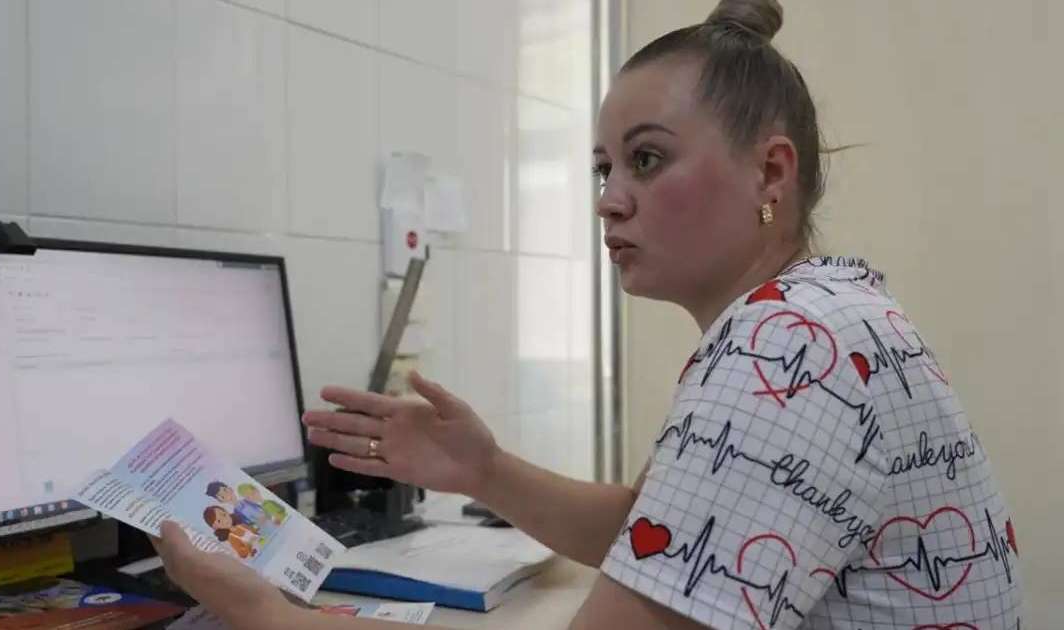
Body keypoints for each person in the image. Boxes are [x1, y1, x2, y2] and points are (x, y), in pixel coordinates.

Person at [152, 0, 1025, 627]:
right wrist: (487, 471)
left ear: (771, 174)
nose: (610, 201)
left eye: (647, 161)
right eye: (603, 170)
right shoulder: (822, 311)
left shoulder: (789, 349)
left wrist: (269, 617)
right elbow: (670, 536)